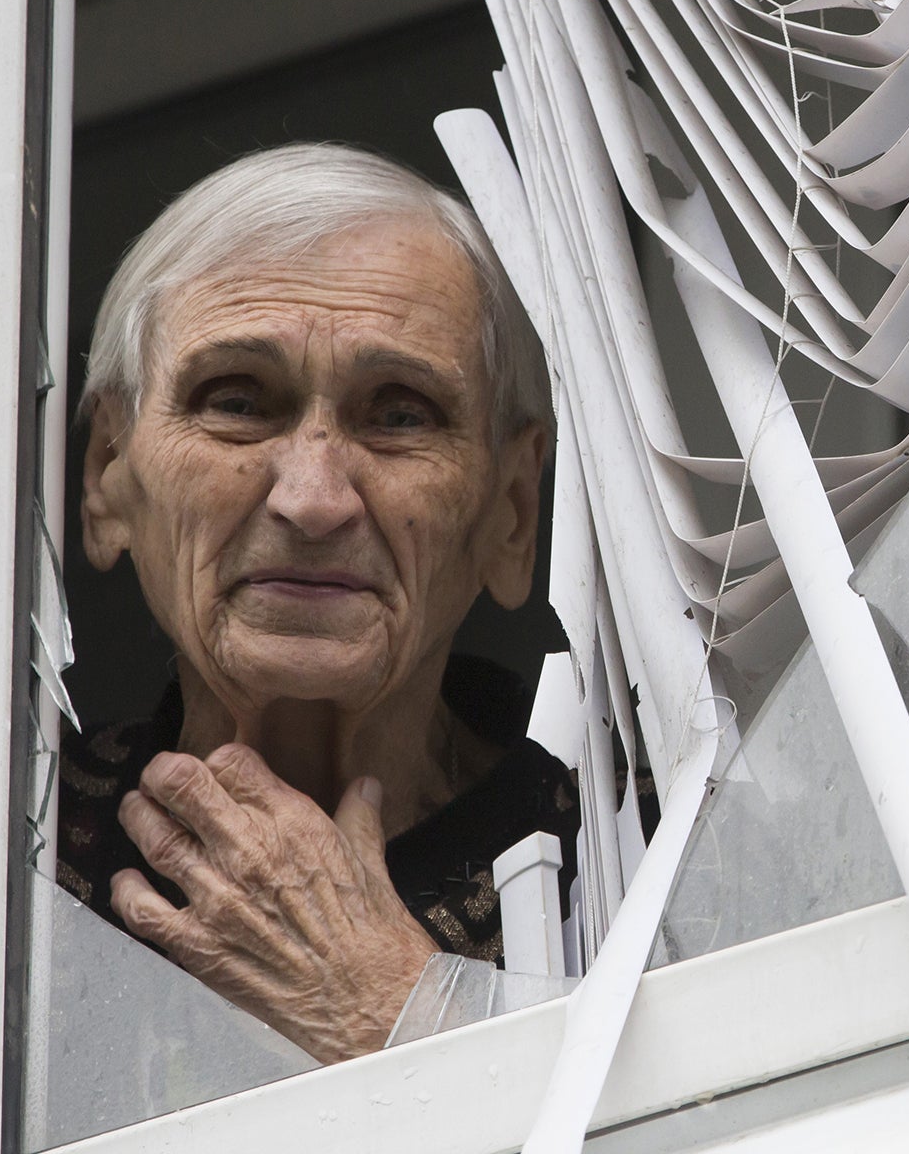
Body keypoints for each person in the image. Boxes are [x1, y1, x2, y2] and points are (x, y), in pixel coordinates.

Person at [56, 143, 576, 1063]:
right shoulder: (9, 867)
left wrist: (388, 1014)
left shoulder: (660, 855)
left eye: (400, 414)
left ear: (511, 513)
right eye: (237, 400)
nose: (313, 497)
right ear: (107, 477)